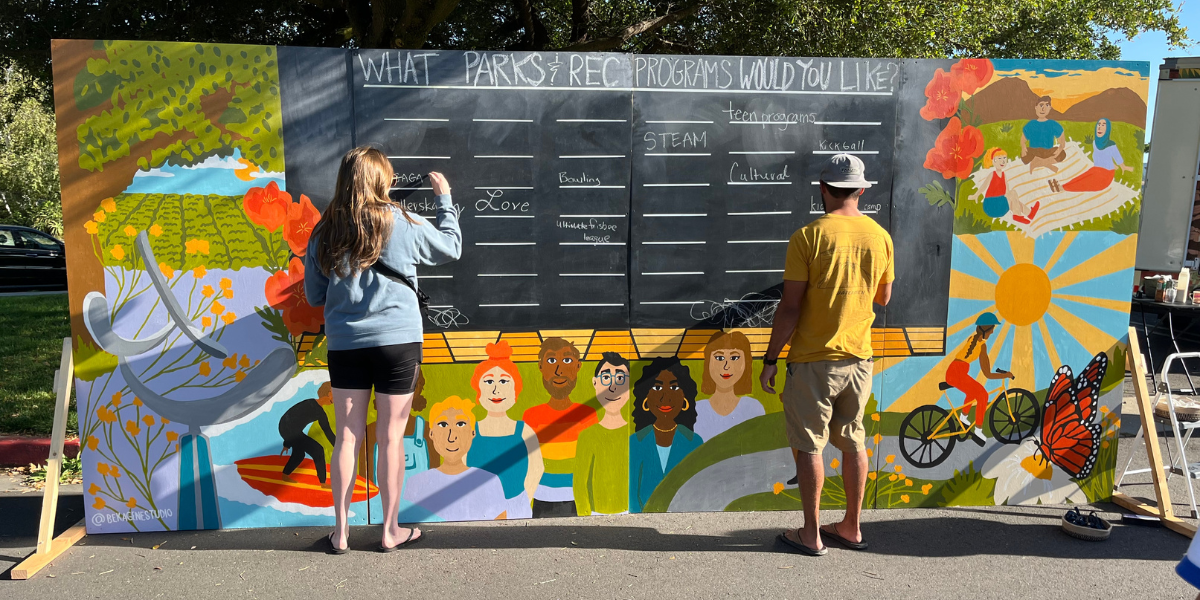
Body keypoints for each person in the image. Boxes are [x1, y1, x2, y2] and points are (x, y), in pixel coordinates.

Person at [304, 146, 461, 553]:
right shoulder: (403, 221)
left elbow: (313, 295)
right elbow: (450, 249)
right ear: (381, 180)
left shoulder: (324, 231)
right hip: (397, 342)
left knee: (347, 438)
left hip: (346, 345)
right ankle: (390, 531)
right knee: (391, 436)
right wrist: (444, 199)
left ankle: (341, 533)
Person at [760, 153, 894, 556]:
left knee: (809, 444)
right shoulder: (880, 236)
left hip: (813, 360)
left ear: (823, 189)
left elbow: (790, 306)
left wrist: (770, 359)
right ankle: (851, 527)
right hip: (859, 358)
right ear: (861, 189)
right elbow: (884, 297)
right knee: (853, 441)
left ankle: (812, 534)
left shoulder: (808, 237)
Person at [466, 341, 543, 519]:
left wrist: (523, 500)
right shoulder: (471, 431)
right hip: (478, 509)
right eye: (489, 381)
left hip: (516, 505)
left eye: (503, 381)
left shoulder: (524, 431)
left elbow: (536, 468)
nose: (495, 389)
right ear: (478, 388)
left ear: (515, 388)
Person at [400, 396, 509, 522]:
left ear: (472, 433)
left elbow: (499, 528)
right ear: (431, 433)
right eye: (443, 424)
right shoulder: (415, 483)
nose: (451, 437)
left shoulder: (490, 481)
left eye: (461, 424)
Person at [522, 337, 597, 517]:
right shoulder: (531, 416)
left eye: (567, 360)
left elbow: (591, 467)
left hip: (577, 499)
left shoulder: (587, 415)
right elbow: (529, 465)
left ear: (578, 366)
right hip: (542, 498)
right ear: (540, 366)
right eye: (551, 360)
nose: (559, 370)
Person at [629, 357, 703, 513]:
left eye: (674, 388)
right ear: (645, 399)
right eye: (657, 388)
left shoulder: (694, 442)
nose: (665, 397)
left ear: (685, 398)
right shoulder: (636, 442)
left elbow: (697, 491)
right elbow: (633, 496)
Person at [574, 352, 632, 515]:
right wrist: (585, 516)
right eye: (606, 378)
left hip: (630, 512)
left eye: (621, 380)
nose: (613, 387)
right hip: (595, 513)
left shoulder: (634, 435)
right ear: (595, 383)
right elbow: (579, 483)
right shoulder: (587, 435)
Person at [945, 312, 1014, 443]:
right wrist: (1005, 375)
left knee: (972, 391)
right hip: (957, 373)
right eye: (992, 328)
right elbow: (987, 374)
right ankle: (978, 430)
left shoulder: (973, 339)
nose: (993, 332)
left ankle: (963, 418)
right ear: (987, 329)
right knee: (982, 395)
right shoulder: (981, 345)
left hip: (954, 371)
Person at [695, 331, 765, 441]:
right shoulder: (697, 410)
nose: (726, 366)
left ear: (746, 362)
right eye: (719, 358)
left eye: (734, 358)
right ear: (708, 362)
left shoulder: (753, 408)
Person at [1049, 118, 1133, 193]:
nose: (1100, 127)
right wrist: (1111, 164)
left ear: (1107, 129)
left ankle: (1062, 188)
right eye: (1099, 125)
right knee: (1081, 178)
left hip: (1105, 177)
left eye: (1103, 125)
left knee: (1084, 183)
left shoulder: (1111, 145)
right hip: (1096, 170)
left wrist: (1123, 167)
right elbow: (1102, 158)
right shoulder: (1095, 143)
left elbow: (1117, 157)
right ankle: (1062, 186)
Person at [278, 381, 336, 488]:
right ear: (328, 393)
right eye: (334, 393)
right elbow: (290, 418)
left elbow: (327, 431)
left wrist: (337, 446)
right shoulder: (308, 404)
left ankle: (285, 475)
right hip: (286, 427)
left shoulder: (321, 413)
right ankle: (323, 483)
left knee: (299, 454)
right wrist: (288, 442)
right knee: (318, 450)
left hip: (294, 431)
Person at [972, 148, 1039, 224]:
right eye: (999, 158)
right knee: (1013, 193)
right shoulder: (992, 174)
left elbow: (1007, 191)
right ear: (993, 161)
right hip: (991, 205)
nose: (1003, 161)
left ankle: (1028, 214)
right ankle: (1021, 214)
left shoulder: (1004, 175)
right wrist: (976, 194)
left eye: (1004, 158)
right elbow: (984, 186)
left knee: (1014, 199)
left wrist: (1013, 201)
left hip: (1001, 204)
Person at [1020, 96, 1066, 174]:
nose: (1043, 108)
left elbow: (1062, 140)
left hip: (1048, 151)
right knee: (1024, 155)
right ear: (1036, 107)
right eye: (1041, 105)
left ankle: (1039, 162)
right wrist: (1023, 147)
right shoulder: (1031, 124)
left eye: (1047, 105)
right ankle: (1047, 164)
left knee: (1062, 154)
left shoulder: (1052, 124)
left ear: (1050, 108)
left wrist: (1060, 148)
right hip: (1034, 151)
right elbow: (1023, 140)